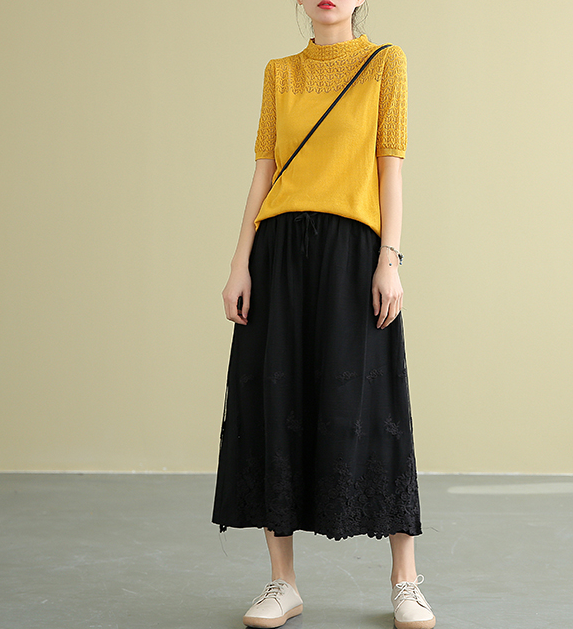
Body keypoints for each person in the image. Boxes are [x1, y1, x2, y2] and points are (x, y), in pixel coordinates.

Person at [212, 1, 435, 628]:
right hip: (279, 250)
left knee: (375, 402)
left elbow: (391, 169)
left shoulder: (385, 64)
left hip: (352, 250)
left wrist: (389, 259)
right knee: (274, 401)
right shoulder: (279, 72)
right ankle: (282, 582)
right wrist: (240, 263)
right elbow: (263, 175)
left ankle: (406, 580)